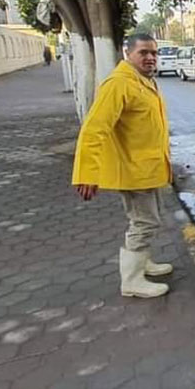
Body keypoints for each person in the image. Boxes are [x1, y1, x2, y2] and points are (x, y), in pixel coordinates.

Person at [72, 33, 174, 299]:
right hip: (133, 170)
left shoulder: (142, 81)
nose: (150, 57)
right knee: (144, 222)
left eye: (154, 52)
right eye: (143, 53)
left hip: (149, 168)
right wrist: (87, 173)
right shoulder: (118, 84)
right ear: (127, 53)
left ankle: (143, 263)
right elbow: (94, 130)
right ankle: (132, 280)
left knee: (148, 220)